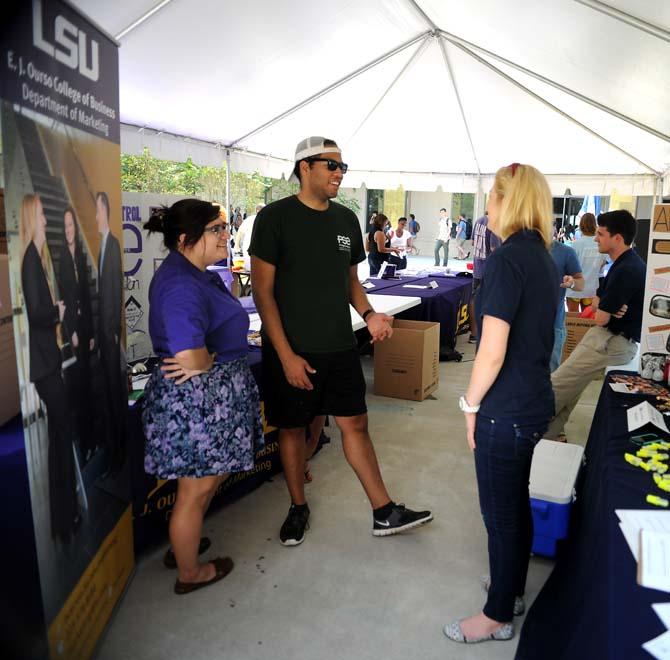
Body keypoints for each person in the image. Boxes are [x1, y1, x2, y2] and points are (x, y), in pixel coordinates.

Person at [250, 135, 432, 546]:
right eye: (331, 165)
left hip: (339, 344)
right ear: (304, 168)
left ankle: (383, 511)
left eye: (342, 167)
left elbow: (351, 282)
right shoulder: (275, 218)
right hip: (292, 350)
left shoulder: (346, 220)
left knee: (357, 424)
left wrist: (368, 315)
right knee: (293, 429)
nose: (339, 173)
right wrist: (286, 355)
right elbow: (262, 292)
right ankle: (298, 507)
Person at [444, 163, 558, 645]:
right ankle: (510, 590)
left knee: (500, 513)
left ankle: (497, 615)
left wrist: (469, 404)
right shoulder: (542, 259)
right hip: (531, 403)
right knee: (515, 505)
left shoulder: (509, 260)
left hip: (506, 409)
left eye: (491, 196)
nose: (485, 206)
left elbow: (491, 351)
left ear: (508, 201)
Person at [142, 200, 263, 594]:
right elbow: (188, 356)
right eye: (216, 229)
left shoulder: (198, 273)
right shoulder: (180, 284)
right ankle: (189, 572)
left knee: (205, 484)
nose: (225, 235)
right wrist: (208, 358)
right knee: (196, 490)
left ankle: (184, 546)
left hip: (211, 395)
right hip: (198, 401)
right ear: (185, 238)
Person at [545, 210, 645, 441]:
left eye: (600, 234)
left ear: (617, 238)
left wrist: (603, 309)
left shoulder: (626, 269)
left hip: (610, 340)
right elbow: (597, 301)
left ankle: (522, 426)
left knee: (558, 384)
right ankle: (549, 433)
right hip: (610, 338)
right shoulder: (624, 264)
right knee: (571, 387)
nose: (596, 238)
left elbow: (600, 317)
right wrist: (604, 305)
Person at [20, 194, 79, 543]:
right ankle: (65, 516)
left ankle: (64, 518)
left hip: (48, 363)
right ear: (32, 216)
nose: (45, 220)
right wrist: (57, 311)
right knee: (62, 433)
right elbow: (37, 314)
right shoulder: (30, 259)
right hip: (43, 367)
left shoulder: (35, 260)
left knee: (60, 437)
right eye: (41, 214)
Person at [58, 206, 96, 461]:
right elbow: (65, 299)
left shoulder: (81, 257)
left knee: (89, 386)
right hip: (72, 330)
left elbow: (86, 298)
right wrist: (71, 330)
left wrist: (90, 332)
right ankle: (83, 443)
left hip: (85, 329)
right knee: (78, 387)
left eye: (72, 225)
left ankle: (91, 439)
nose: (69, 230)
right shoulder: (62, 259)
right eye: (66, 226)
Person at [96, 191, 125, 474]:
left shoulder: (112, 245)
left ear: (105, 211)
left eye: (97, 211)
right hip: (104, 336)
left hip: (110, 336)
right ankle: (113, 451)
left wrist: (113, 333)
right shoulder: (103, 246)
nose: (94, 217)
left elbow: (114, 293)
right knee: (109, 396)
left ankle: (118, 455)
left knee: (115, 397)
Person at [549, 241, 584, 371]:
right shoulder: (521, 249)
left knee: (551, 375)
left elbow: (581, 283)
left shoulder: (565, 252)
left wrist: (572, 282)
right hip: (522, 325)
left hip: (553, 326)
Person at [468, 212, 502, 343]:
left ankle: (474, 334)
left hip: (477, 267)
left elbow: (472, 242)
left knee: (474, 299)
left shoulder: (478, 221)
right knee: (491, 301)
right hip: (490, 270)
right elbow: (495, 249)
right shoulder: (495, 223)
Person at [566, 213, 606, 313]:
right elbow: (602, 265)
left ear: (581, 225)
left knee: (573, 321)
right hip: (591, 289)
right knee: (588, 319)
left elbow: (569, 267)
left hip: (574, 289)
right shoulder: (600, 244)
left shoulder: (576, 244)